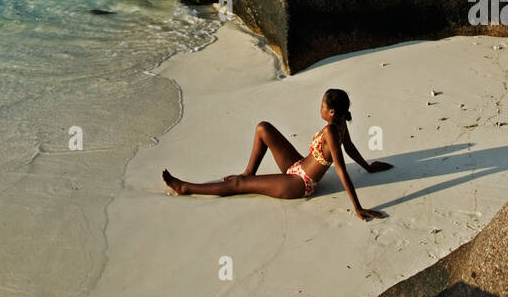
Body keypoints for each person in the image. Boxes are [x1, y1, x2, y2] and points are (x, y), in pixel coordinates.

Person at [162, 87, 391, 221]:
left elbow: (341, 167)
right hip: (298, 165)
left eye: (322, 105)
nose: (319, 108)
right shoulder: (339, 122)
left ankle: (186, 188)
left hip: (299, 184)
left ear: (331, 111)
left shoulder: (332, 129)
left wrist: (357, 207)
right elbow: (350, 147)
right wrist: (369, 167)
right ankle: (249, 172)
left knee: (240, 185)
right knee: (263, 128)